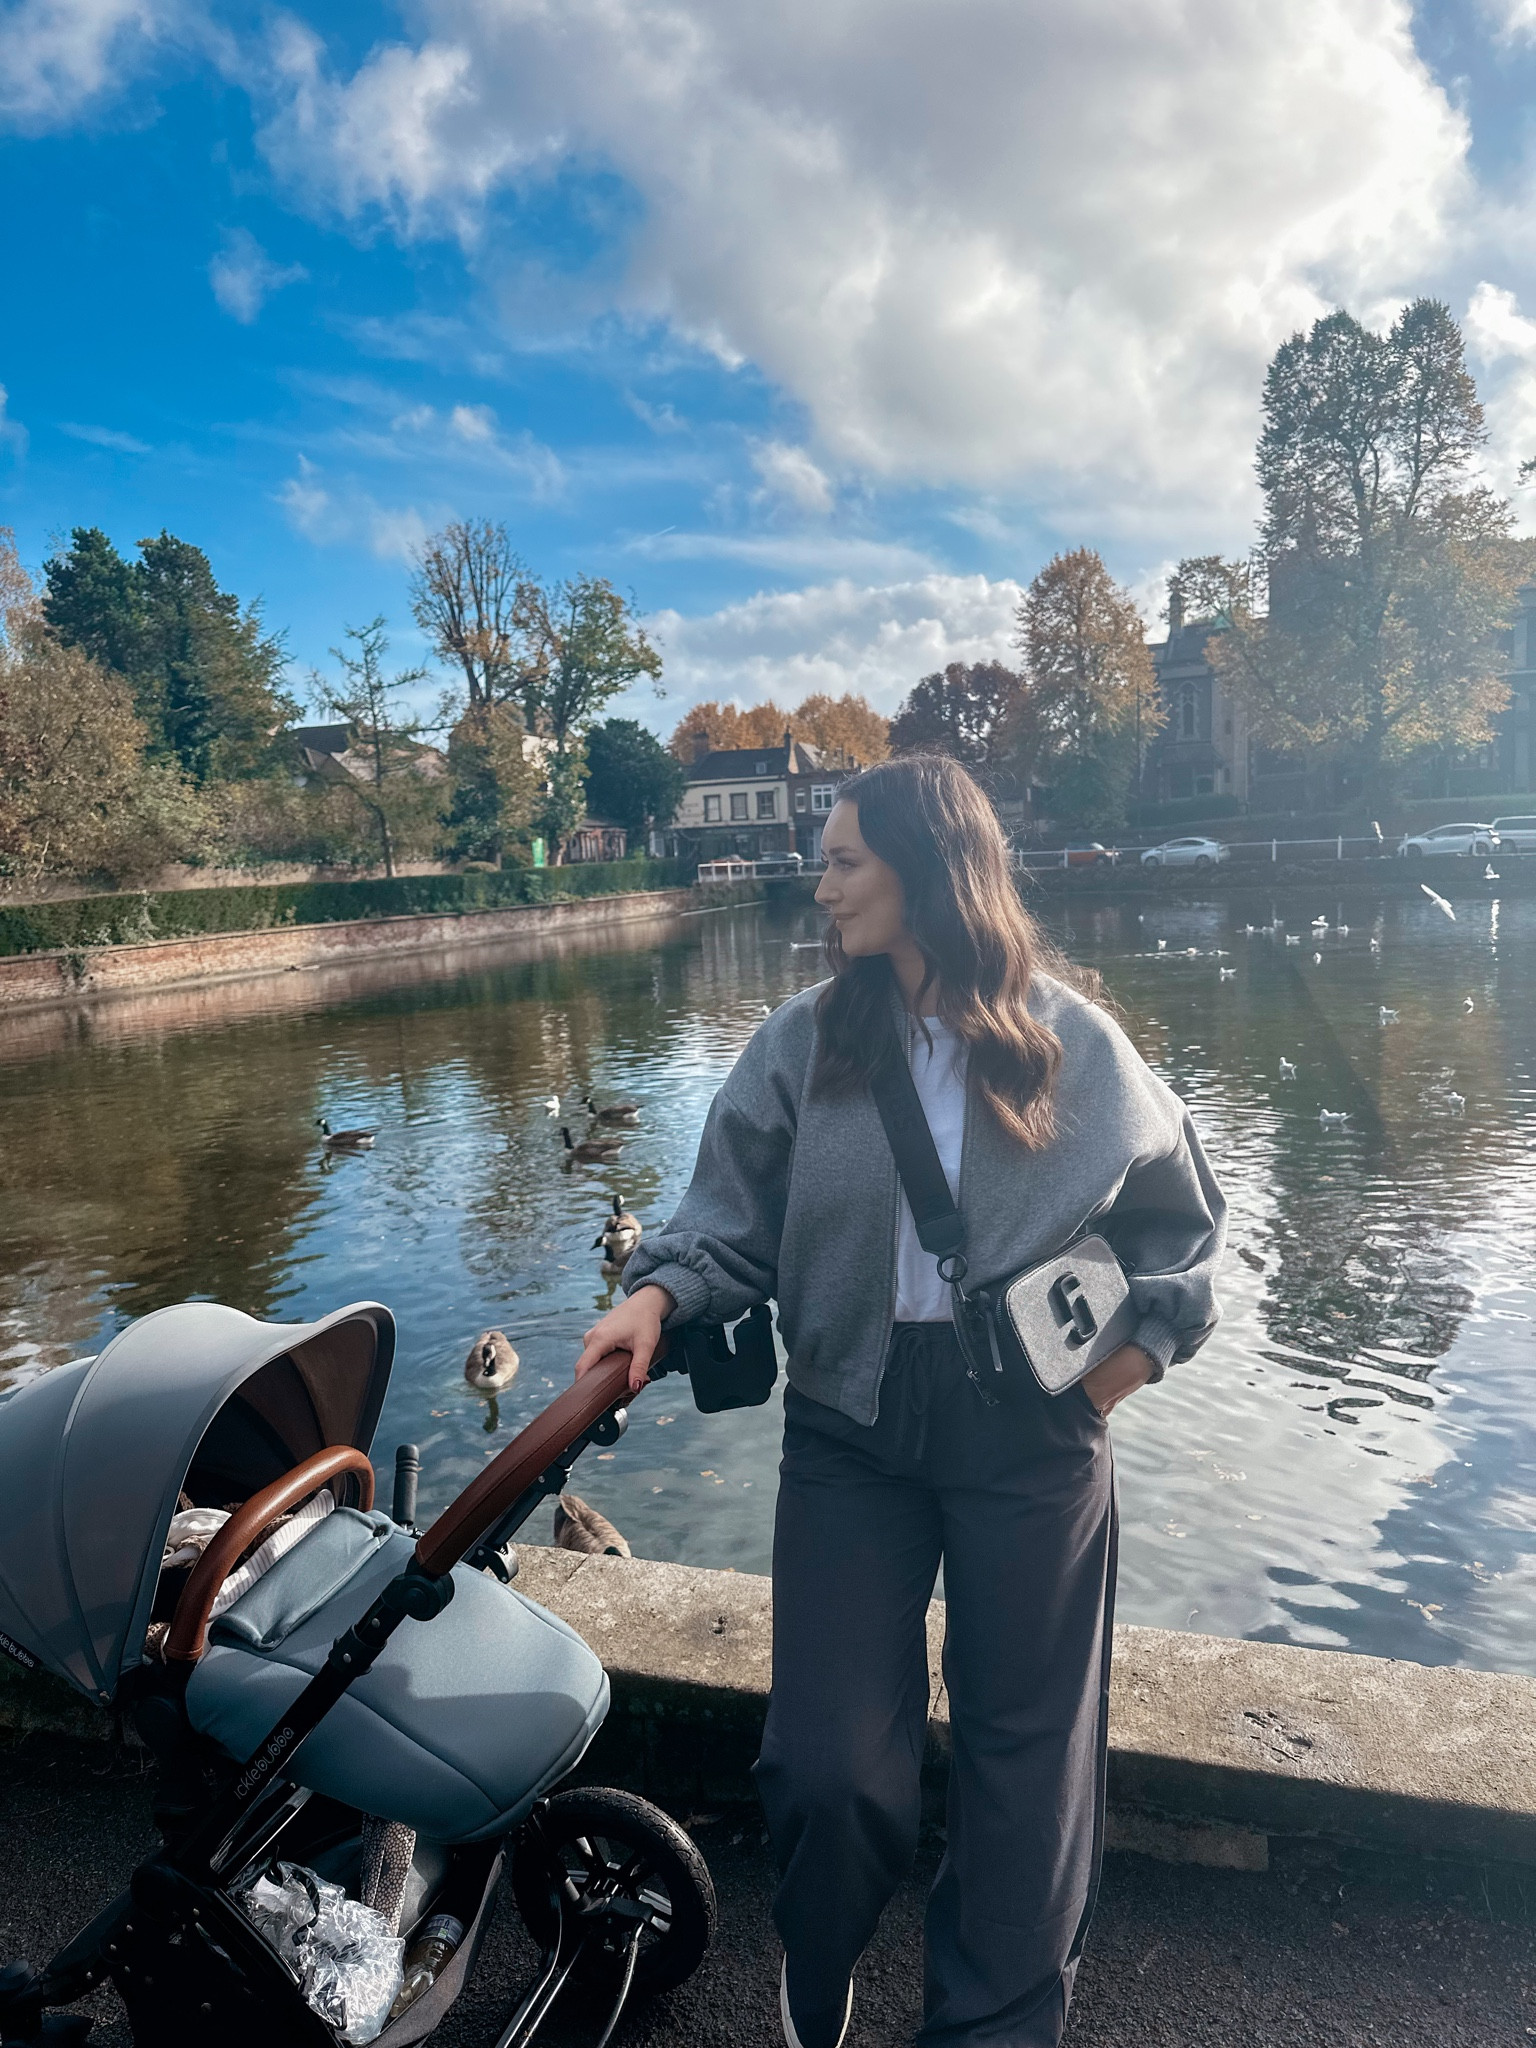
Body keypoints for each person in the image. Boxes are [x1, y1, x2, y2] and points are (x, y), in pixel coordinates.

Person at [574, 755, 1226, 2048]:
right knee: (826, 1770)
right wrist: (651, 1300)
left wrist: (1106, 1385)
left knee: (1026, 1776)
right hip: (846, 1432)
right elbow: (720, 1219)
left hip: (1031, 1437)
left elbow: (1182, 1232)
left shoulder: (1071, 1045)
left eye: (843, 862)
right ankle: (817, 1971)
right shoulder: (800, 1046)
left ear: (930, 874)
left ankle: (990, 2028)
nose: (819, 887)